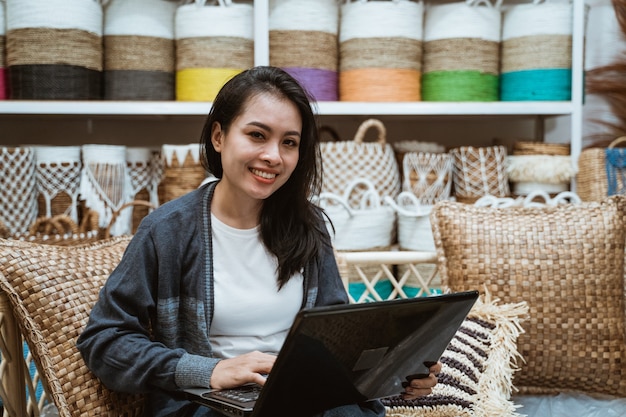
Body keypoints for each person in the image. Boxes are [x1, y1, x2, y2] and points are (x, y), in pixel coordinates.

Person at [77, 66, 441, 417]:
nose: (273, 156)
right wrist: (209, 371)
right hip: (211, 405)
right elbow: (104, 340)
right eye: (256, 135)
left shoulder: (309, 226)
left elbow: (337, 340)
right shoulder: (167, 231)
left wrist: (396, 372)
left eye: (289, 143)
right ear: (218, 137)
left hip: (307, 398)